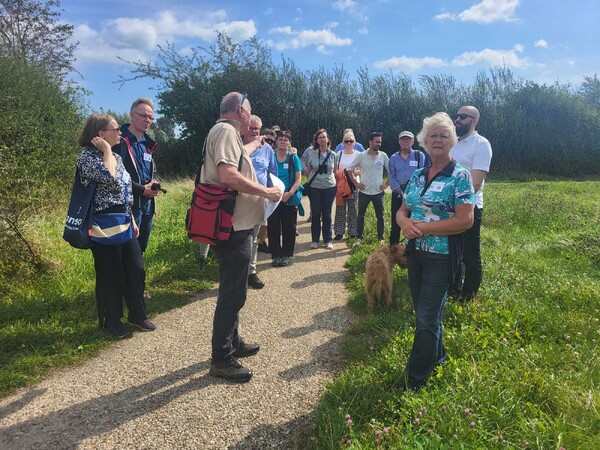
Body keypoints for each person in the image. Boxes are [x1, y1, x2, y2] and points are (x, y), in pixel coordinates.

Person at [203, 92, 282, 383]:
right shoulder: (225, 130)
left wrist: (253, 143)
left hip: (237, 225)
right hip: (232, 227)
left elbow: (237, 158)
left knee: (235, 290)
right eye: (249, 110)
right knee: (232, 293)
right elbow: (228, 176)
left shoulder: (229, 134)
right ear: (239, 110)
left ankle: (232, 342)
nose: (251, 116)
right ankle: (222, 358)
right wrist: (267, 192)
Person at [396, 112, 474, 391]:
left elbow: (465, 220)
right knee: (424, 313)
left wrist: (424, 228)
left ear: (452, 141)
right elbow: (403, 210)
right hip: (415, 254)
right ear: (424, 141)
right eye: (433, 135)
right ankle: (438, 356)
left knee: (427, 319)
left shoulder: (460, 176)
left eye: (444, 135)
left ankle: (414, 381)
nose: (438, 139)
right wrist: (404, 222)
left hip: (442, 257)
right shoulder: (417, 176)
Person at [77, 114, 156, 339]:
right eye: (115, 130)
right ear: (101, 135)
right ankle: (111, 322)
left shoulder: (116, 157)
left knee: (136, 268)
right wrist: (107, 152)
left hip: (123, 220)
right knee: (110, 273)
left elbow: (124, 189)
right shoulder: (87, 157)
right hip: (101, 223)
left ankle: (137, 315)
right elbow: (110, 178)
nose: (120, 132)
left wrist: (130, 216)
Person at [451, 105, 493, 301]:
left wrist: (454, 203)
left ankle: (468, 296)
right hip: (449, 207)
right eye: (457, 116)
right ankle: (453, 288)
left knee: (470, 253)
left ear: (474, 120)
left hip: (470, 207)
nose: (457, 119)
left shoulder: (481, 144)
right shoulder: (454, 144)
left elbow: (475, 182)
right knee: (453, 251)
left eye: (462, 116)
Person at [113, 97, 160, 254]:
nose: (148, 120)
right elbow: (114, 176)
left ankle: (136, 278)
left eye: (151, 117)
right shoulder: (118, 141)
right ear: (132, 115)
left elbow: (152, 170)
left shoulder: (148, 144)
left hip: (147, 205)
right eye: (143, 116)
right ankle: (125, 278)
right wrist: (141, 189)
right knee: (127, 251)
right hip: (128, 205)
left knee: (140, 249)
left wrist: (154, 183)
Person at [244, 114, 277, 289]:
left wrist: (273, 193)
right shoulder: (237, 145)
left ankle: (251, 272)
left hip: (259, 200)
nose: (254, 131)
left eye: (256, 128)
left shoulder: (268, 150)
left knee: (254, 238)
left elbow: (272, 174)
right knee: (240, 238)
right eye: (251, 128)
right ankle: (236, 271)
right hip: (239, 200)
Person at [346, 132, 389, 246]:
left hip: (378, 192)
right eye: (377, 141)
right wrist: (356, 183)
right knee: (360, 216)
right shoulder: (361, 156)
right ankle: (359, 238)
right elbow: (349, 169)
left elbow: (391, 171)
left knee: (380, 216)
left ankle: (380, 238)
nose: (379, 144)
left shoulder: (383, 156)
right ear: (370, 142)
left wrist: (386, 184)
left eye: (380, 141)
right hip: (364, 192)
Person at [268, 130, 302, 266]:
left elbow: (298, 179)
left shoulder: (293, 158)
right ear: (276, 141)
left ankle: (287, 254)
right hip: (273, 197)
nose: (283, 141)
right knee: (273, 227)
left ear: (289, 143)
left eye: (286, 140)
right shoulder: (271, 156)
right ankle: (275, 254)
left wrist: (289, 194)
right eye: (280, 139)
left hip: (288, 197)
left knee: (289, 227)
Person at [388, 131, 425, 245]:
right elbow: (390, 176)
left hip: (414, 194)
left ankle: (411, 247)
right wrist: (400, 190)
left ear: (412, 141)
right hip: (398, 193)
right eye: (402, 139)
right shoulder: (393, 158)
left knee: (414, 220)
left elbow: (423, 174)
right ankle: (394, 248)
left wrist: (412, 191)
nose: (405, 141)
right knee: (396, 221)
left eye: (408, 139)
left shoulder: (419, 155)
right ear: (399, 141)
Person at [305, 128, 338, 249]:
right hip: (315, 188)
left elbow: (335, 172)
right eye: (320, 138)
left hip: (329, 187)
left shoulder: (334, 155)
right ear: (316, 140)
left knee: (327, 214)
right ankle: (315, 240)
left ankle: (328, 240)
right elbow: (307, 172)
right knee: (315, 213)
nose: (322, 139)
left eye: (324, 137)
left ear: (327, 139)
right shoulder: (312, 153)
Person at [333, 130, 360, 240]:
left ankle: (353, 231)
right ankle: (339, 232)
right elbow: (334, 170)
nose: (348, 143)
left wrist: (358, 172)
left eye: (351, 141)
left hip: (354, 184)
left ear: (354, 142)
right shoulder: (338, 155)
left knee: (353, 208)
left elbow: (363, 168)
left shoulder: (359, 155)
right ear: (343, 143)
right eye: (346, 141)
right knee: (340, 208)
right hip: (341, 185)